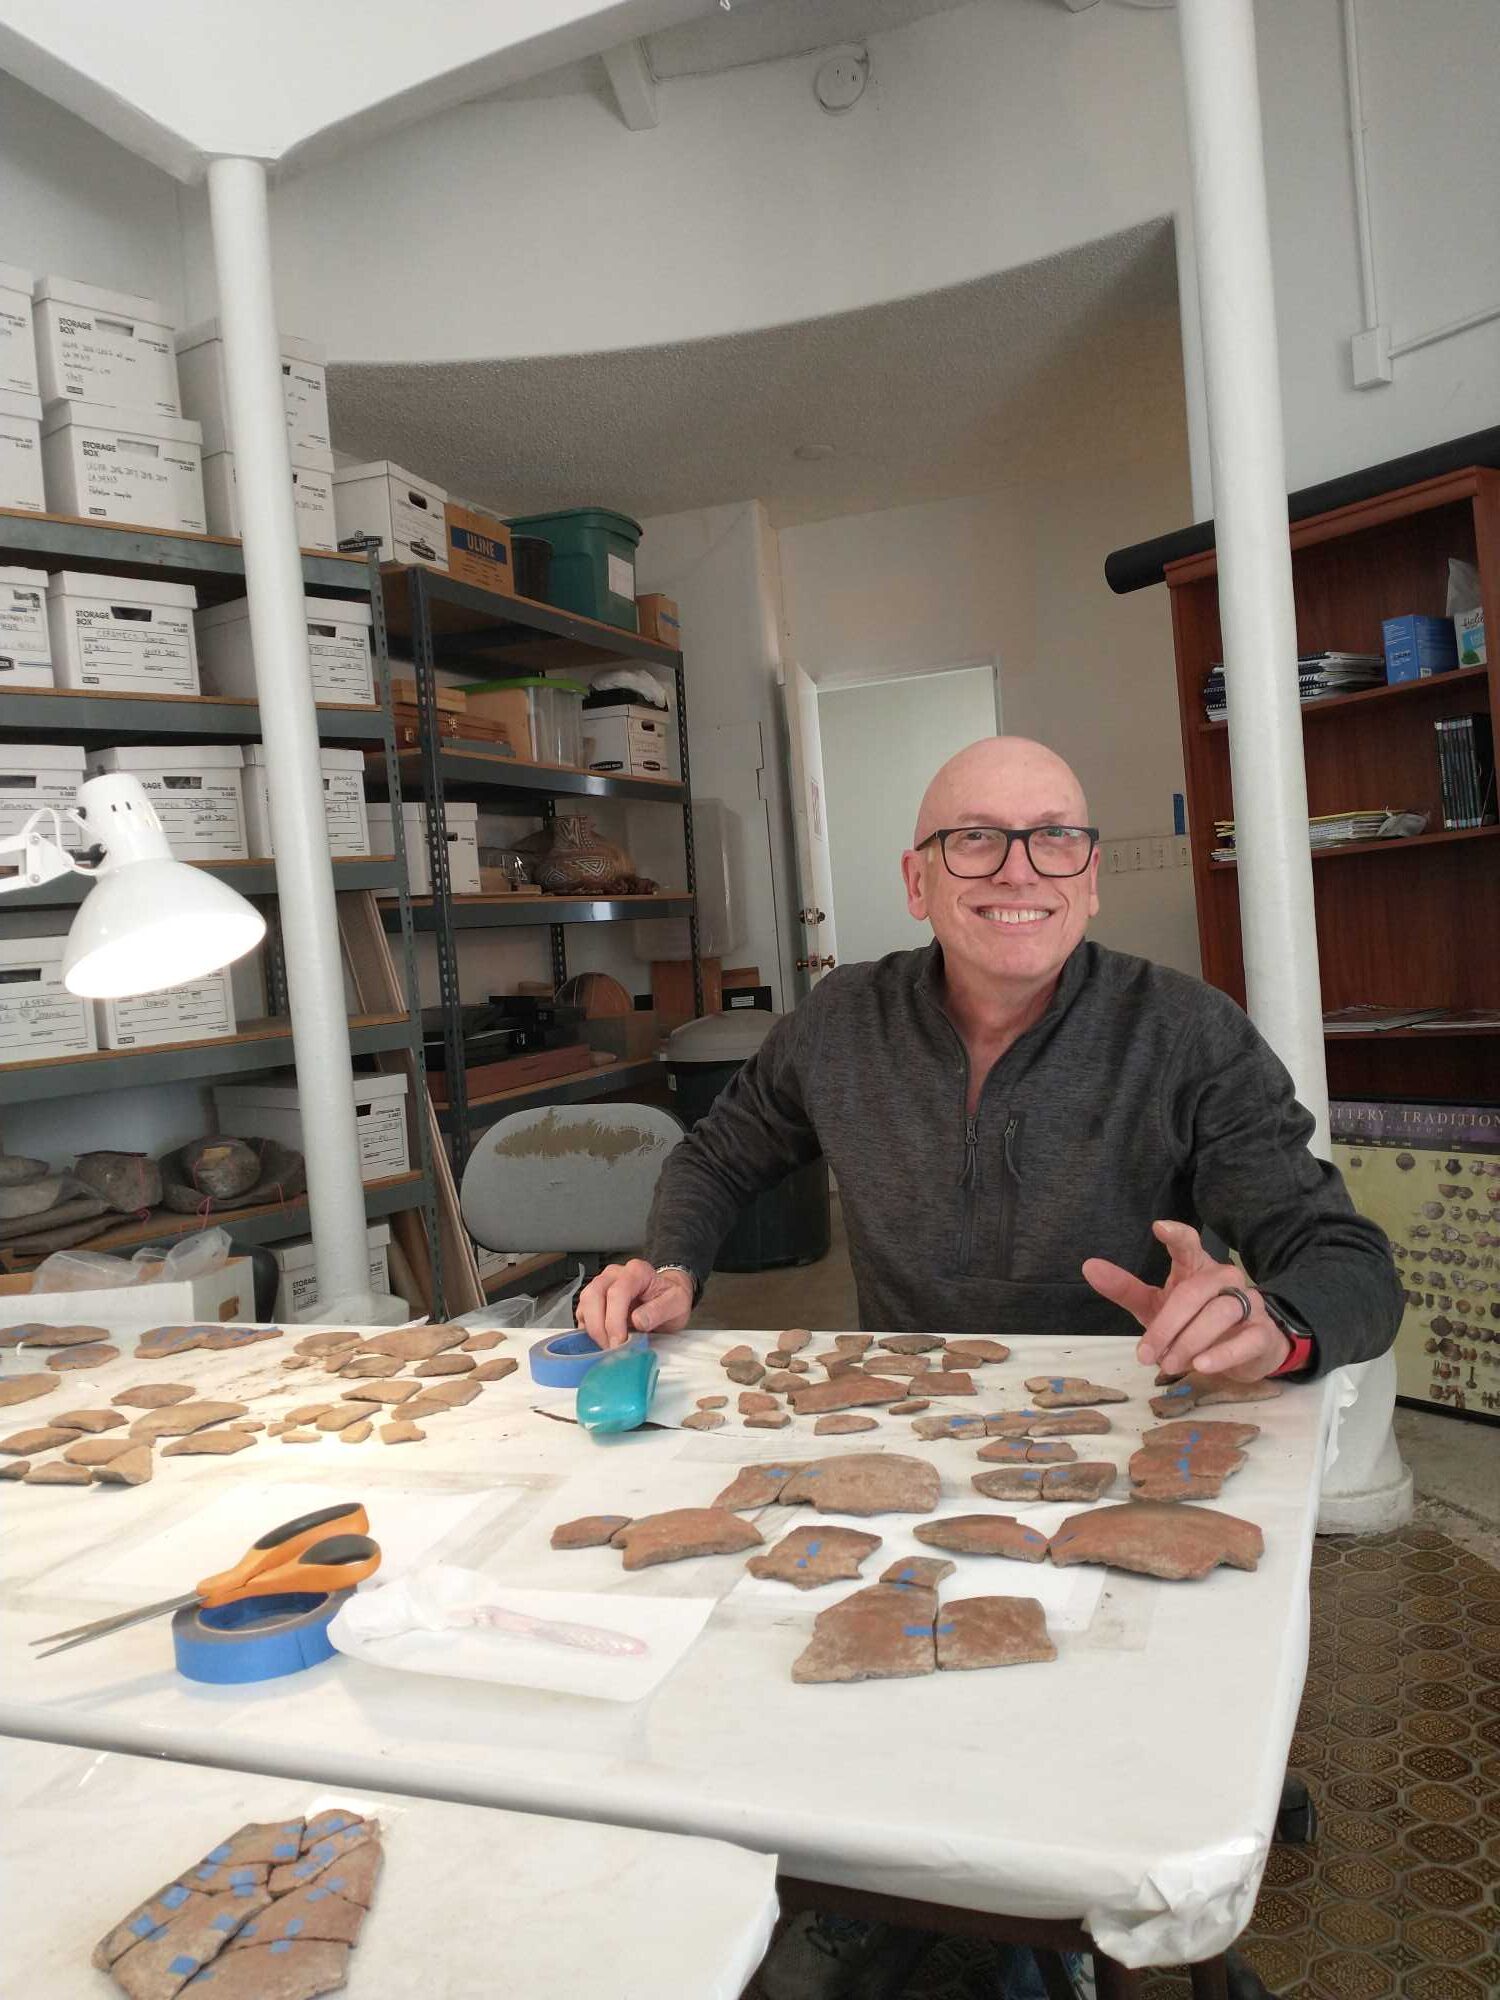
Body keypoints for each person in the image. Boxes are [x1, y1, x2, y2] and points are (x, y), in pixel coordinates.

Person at [577, 735, 1402, 1384]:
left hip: (1132, 1408)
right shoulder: (839, 1021)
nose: (1019, 870)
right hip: (904, 1406)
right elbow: (718, 1157)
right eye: (975, 839)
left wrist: (1276, 1329)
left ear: (1090, 877)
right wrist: (673, 1265)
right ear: (917, 881)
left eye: (1055, 838)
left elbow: (1347, 1263)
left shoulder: (1190, 1035)